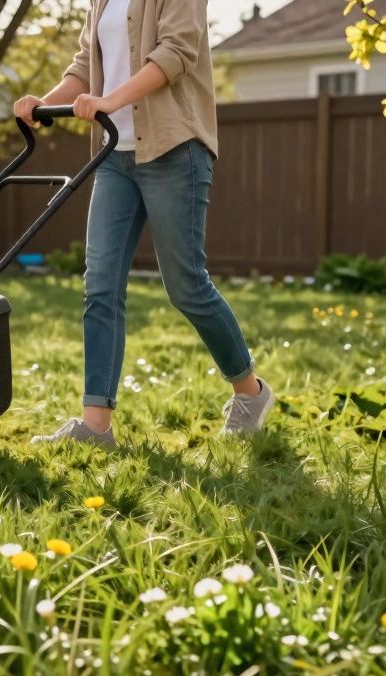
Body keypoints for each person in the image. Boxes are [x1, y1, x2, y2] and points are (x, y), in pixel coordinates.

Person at [17, 0, 273, 446]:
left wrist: (108, 101)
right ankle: (95, 425)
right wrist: (46, 101)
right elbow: (86, 64)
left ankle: (250, 393)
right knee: (99, 285)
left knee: (186, 285)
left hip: (175, 149)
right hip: (114, 156)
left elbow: (175, 53)